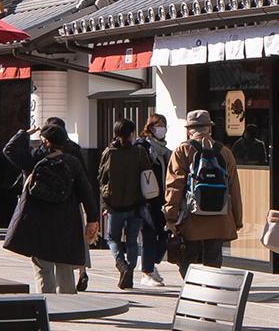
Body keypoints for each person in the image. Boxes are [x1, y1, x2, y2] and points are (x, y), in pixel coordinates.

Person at [4, 117, 95, 293]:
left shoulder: (34, 159)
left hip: (39, 221)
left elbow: (9, 150)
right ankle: (67, 307)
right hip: (67, 221)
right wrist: (92, 219)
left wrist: (24, 134)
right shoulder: (73, 161)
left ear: (45, 141)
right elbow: (86, 191)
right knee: (65, 267)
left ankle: (48, 307)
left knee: (43, 268)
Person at [165, 108, 240, 271]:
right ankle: (210, 294)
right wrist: (237, 219)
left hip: (192, 216)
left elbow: (174, 186)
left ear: (188, 131)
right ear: (210, 128)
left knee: (189, 260)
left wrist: (170, 216)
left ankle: (193, 292)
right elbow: (234, 188)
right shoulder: (225, 152)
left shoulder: (182, 150)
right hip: (220, 215)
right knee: (213, 261)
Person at [97, 121, 162, 292]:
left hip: (114, 205)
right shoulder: (139, 152)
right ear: (132, 133)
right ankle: (130, 272)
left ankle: (121, 264)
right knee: (132, 241)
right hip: (136, 204)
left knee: (112, 238)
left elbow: (101, 178)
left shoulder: (109, 153)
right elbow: (147, 174)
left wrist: (105, 203)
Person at [133, 114, 172, 287]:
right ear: (150, 127)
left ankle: (150, 262)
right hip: (146, 199)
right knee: (149, 234)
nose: (162, 128)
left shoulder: (165, 150)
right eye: (158, 125)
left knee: (165, 233)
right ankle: (147, 272)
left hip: (162, 198)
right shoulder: (142, 147)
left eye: (164, 125)